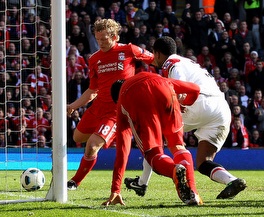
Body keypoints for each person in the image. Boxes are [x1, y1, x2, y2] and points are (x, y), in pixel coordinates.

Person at [125, 36, 247, 199]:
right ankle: (232, 181)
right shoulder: (188, 62)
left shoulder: (171, 64)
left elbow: (178, 91)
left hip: (199, 102)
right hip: (221, 109)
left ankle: (143, 183)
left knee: (156, 136)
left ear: (159, 54)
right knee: (204, 162)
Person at [66, 19, 154, 190]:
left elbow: (155, 59)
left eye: (104, 39)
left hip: (115, 111)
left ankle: (74, 181)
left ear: (115, 37)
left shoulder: (129, 50)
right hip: (97, 107)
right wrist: (73, 105)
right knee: (77, 138)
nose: (100, 43)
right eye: (98, 39)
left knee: (92, 146)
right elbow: (92, 90)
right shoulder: (94, 59)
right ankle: (109, 136)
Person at [102, 72, 202, 206]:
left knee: (152, 153)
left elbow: (122, 150)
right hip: (164, 88)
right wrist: (184, 103)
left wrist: (116, 189)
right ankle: (193, 194)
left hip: (138, 99)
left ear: (116, 100)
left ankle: (173, 170)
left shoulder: (122, 101)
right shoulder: (156, 77)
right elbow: (195, 89)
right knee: (178, 145)